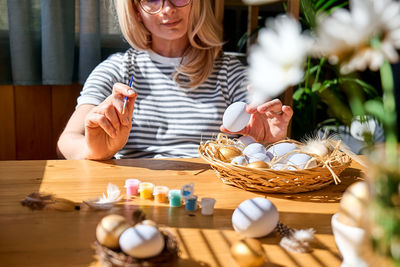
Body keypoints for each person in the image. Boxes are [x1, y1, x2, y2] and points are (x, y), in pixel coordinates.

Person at [57, 0, 293, 160]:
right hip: (136, 193)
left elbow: (258, 146)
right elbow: (66, 142)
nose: (167, 9)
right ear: (135, 10)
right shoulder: (116, 70)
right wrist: (94, 150)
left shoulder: (230, 72)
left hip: (211, 197)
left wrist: (267, 143)